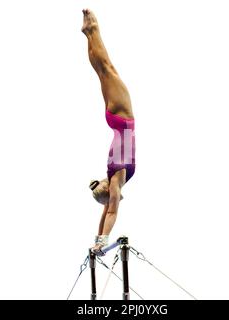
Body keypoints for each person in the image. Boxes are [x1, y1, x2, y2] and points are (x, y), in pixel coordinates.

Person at [82, 9, 136, 254]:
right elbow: (106, 210)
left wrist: (102, 243)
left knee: (107, 68)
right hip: (115, 120)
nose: (113, 201)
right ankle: (89, 33)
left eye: (110, 198)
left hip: (123, 118)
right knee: (102, 71)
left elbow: (111, 211)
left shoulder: (117, 180)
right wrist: (97, 240)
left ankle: (93, 29)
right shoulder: (112, 176)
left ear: (109, 192)